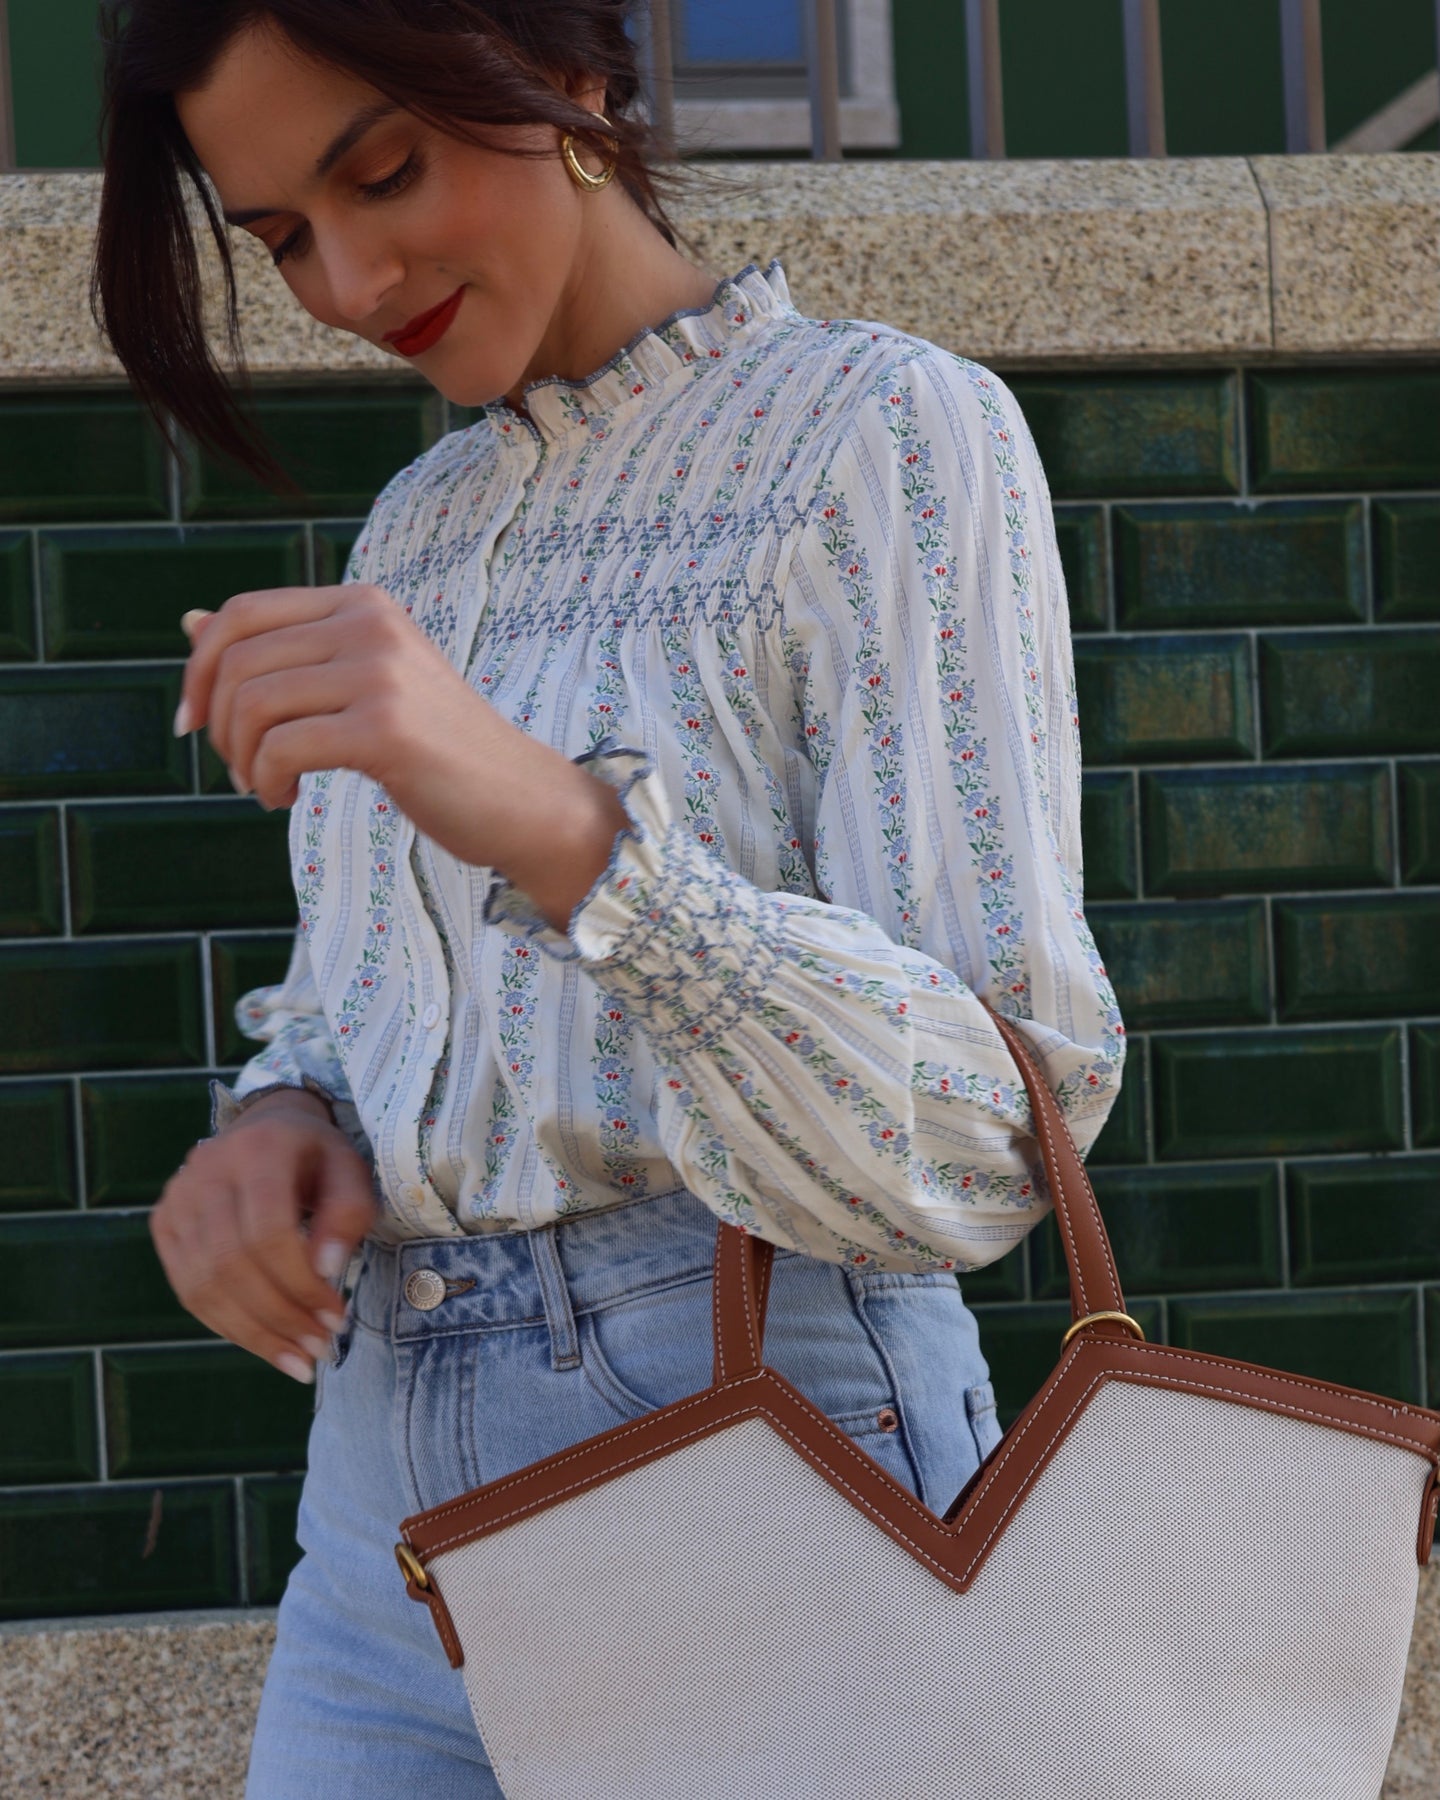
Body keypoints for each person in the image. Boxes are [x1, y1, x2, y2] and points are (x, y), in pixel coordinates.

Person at [93, 2, 1126, 1793]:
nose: (348, 282)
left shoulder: (881, 432)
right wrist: (285, 1123)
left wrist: (571, 833)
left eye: (383, 173)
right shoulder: (415, 531)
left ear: (567, 77)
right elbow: (368, 1007)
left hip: (759, 1444)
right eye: (281, 236)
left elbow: (990, 1130)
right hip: (382, 1519)